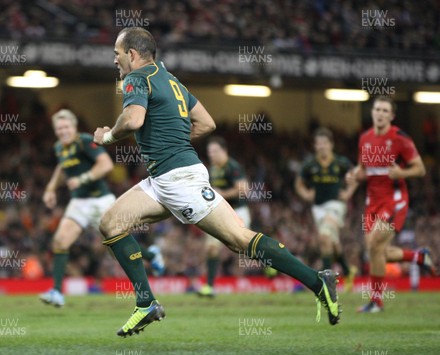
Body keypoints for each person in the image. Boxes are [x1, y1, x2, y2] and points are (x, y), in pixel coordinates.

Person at [93, 27, 340, 337]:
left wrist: (108, 136)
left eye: (117, 54)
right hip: (164, 178)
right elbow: (206, 123)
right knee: (111, 223)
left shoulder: (136, 78)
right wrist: (173, 140)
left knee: (239, 239)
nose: (115, 61)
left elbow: (133, 120)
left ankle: (318, 282)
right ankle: (146, 303)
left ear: (131, 54)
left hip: (178, 179)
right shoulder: (172, 81)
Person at [39, 109, 164, 307]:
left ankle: (150, 255)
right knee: (61, 241)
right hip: (79, 202)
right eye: (59, 128)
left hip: (100, 200)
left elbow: (105, 165)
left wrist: (83, 178)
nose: (63, 131)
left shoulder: (85, 141)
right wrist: (51, 188)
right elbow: (62, 167)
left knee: (116, 249)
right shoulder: (60, 148)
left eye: (66, 127)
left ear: (74, 126)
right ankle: (56, 292)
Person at [346, 96, 434, 313]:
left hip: (394, 200)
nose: (381, 113)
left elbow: (420, 169)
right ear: (372, 112)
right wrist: (354, 175)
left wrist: (402, 172)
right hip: (372, 202)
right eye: (377, 109)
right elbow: (363, 170)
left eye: (385, 110)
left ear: (392, 116)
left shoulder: (400, 138)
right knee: (376, 251)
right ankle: (418, 256)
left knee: (376, 244)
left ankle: (376, 302)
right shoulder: (365, 138)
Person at [295, 128, 358, 292]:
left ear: (331, 145)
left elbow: (355, 177)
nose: (322, 146)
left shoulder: (341, 163)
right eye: (319, 143)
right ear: (315, 146)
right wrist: (305, 194)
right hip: (318, 207)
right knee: (331, 243)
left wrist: (349, 192)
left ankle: (327, 283)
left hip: (336, 204)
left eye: (325, 143)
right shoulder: (310, 164)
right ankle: (348, 269)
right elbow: (299, 184)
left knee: (324, 236)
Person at [197, 137, 251, 298]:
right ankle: (209, 287)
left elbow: (244, 190)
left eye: (215, 151)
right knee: (211, 248)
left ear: (224, 151)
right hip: (220, 213)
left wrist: (221, 193)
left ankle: (270, 263)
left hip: (238, 211)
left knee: (245, 246)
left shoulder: (233, 167)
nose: (212, 155)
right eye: (209, 152)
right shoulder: (212, 169)